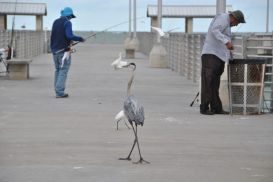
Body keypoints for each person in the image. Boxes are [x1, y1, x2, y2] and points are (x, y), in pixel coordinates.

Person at [200, 10, 246, 115]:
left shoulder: (227, 24)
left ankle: (216, 108)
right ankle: (204, 108)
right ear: (234, 18)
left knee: (215, 84)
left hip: (218, 56)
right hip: (211, 54)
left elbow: (225, 41)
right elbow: (214, 30)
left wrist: (230, 56)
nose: (236, 25)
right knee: (208, 82)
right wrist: (226, 42)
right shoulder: (223, 18)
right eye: (237, 23)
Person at [50, 7, 84, 98]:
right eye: (71, 16)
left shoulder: (55, 22)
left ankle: (57, 89)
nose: (71, 18)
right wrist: (80, 39)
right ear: (68, 15)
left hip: (55, 51)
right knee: (63, 70)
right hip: (63, 52)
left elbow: (55, 36)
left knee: (58, 69)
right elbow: (69, 35)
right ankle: (59, 92)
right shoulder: (67, 22)